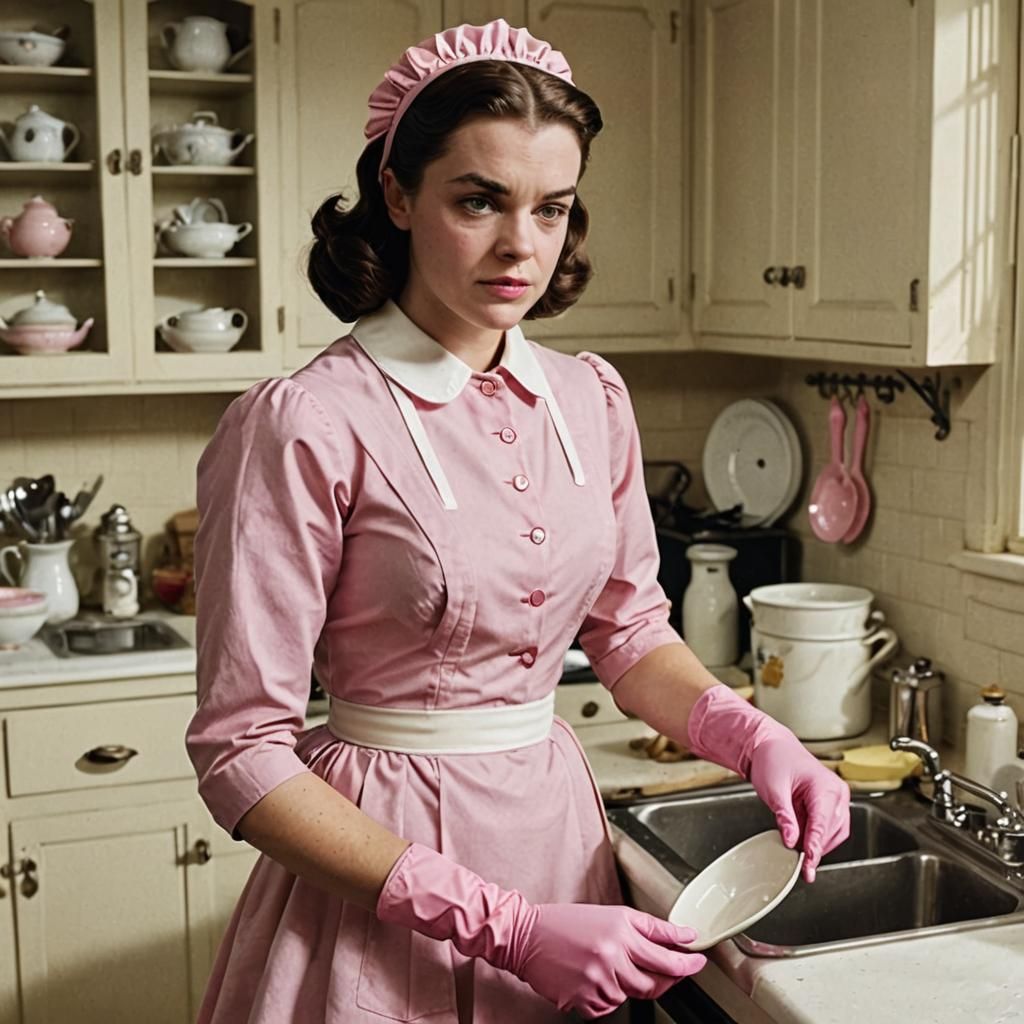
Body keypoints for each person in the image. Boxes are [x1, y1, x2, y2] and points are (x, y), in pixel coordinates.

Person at [185, 19, 851, 1023]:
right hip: (382, 868)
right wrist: (510, 927)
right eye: (479, 201)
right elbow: (242, 752)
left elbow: (627, 635)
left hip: (557, 839)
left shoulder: (592, 401)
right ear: (398, 195)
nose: (521, 246)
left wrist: (754, 736)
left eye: (552, 208)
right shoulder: (306, 422)